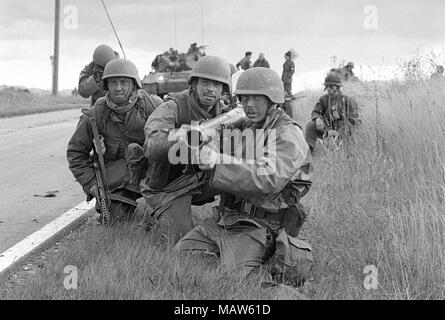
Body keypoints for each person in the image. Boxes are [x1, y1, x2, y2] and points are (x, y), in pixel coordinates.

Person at [175, 67, 314, 285]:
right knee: (180, 259)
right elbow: (220, 143)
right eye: (245, 97)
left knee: (231, 282)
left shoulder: (288, 134)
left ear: (273, 100)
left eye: (257, 98)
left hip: (259, 224)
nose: (249, 104)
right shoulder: (247, 125)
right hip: (226, 218)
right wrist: (203, 141)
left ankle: (271, 255)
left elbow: (268, 178)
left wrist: (216, 160)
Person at [137, 55, 232, 244]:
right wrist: (182, 138)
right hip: (169, 185)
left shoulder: (224, 113)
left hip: (200, 179)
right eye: (205, 82)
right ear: (194, 84)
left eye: (217, 85)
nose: (211, 89)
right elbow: (153, 144)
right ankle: (155, 210)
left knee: (242, 176)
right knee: (183, 241)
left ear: (223, 90)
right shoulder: (173, 106)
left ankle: (229, 219)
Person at [67, 59, 163, 223]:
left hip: (153, 173)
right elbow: (76, 152)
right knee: (115, 218)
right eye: (113, 83)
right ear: (106, 86)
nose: (118, 88)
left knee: (168, 218)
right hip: (118, 180)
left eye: (124, 82)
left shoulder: (153, 106)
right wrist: (92, 185)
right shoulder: (95, 114)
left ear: (134, 84)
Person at [304, 72, 360, 152]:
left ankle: (342, 150)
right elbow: (315, 112)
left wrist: (338, 132)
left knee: (345, 126)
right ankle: (309, 150)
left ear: (337, 87)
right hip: (328, 128)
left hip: (343, 130)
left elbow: (354, 122)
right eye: (327, 86)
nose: (328, 88)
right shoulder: (324, 99)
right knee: (311, 124)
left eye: (331, 86)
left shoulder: (347, 100)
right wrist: (317, 119)